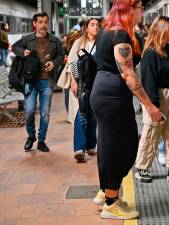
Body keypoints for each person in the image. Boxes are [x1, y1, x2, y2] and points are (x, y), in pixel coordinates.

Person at [90, 0, 161, 220]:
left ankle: (107, 192)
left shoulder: (107, 30)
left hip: (105, 92)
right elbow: (129, 75)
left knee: (115, 144)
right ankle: (111, 203)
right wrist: (149, 106)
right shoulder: (120, 36)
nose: (142, 12)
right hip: (112, 96)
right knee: (119, 147)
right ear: (129, 9)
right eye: (140, 7)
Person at [134, 16, 169, 183]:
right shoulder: (150, 53)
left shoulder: (168, 49)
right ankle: (142, 167)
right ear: (162, 31)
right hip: (156, 96)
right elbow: (149, 81)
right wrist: (153, 106)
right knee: (151, 132)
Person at [12, 12, 65, 152]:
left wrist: (54, 63)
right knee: (29, 111)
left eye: (46, 22)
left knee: (45, 113)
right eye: (40, 22)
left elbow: (61, 54)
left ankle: (41, 141)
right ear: (34, 24)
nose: (44, 25)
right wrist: (22, 52)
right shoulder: (26, 39)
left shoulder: (55, 40)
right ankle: (31, 136)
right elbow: (14, 47)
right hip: (30, 81)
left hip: (47, 81)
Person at [58, 18, 100, 162]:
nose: (95, 27)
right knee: (80, 115)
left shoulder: (101, 44)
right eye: (92, 25)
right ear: (86, 28)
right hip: (80, 84)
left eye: (97, 25)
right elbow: (71, 62)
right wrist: (74, 82)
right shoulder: (79, 42)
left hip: (96, 84)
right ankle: (79, 149)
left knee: (93, 115)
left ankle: (90, 144)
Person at [61, 29, 81, 119]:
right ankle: (70, 114)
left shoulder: (80, 45)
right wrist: (65, 60)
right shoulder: (65, 47)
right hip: (67, 72)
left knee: (69, 94)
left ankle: (72, 114)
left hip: (74, 72)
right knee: (67, 93)